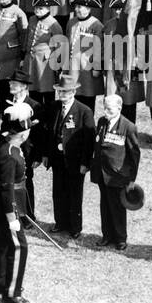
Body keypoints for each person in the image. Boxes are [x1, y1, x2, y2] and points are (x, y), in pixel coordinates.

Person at [0, 101, 35, 303]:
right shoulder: (10, 154)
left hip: (2, 204)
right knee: (19, 247)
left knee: (1, 245)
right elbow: (8, 187)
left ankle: (0, 284)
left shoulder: (6, 146)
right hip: (9, 207)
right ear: (23, 134)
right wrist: (12, 217)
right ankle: (12, 292)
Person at [45, 72, 94, 240]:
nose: (62, 95)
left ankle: (74, 226)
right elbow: (49, 133)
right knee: (58, 192)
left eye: (65, 92)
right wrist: (47, 155)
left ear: (73, 92)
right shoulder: (54, 107)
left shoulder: (84, 111)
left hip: (75, 161)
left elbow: (89, 141)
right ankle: (60, 222)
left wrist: (85, 163)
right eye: (60, 91)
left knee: (74, 194)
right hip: (58, 159)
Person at [92, 93, 141, 249]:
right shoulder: (101, 122)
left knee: (117, 207)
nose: (106, 111)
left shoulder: (128, 127)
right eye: (104, 108)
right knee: (105, 205)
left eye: (110, 109)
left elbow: (134, 155)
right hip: (102, 173)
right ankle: (107, 235)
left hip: (118, 176)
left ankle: (120, 238)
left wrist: (132, 178)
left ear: (119, 108)